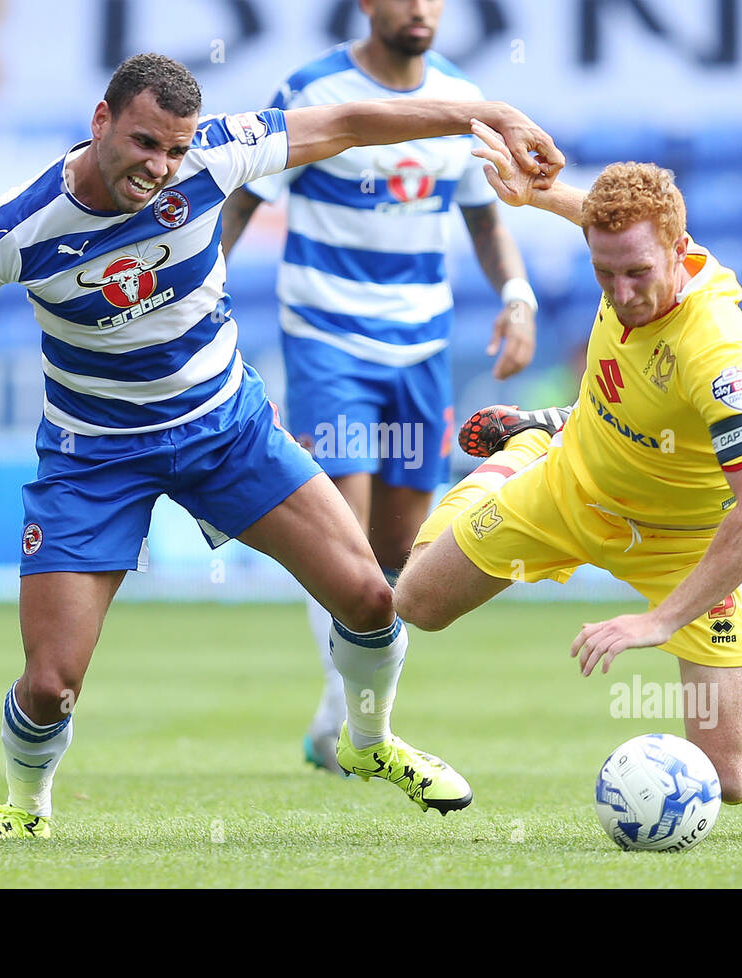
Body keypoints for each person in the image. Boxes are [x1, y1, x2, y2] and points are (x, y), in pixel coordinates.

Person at [0, 54, 563, 838]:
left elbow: (351, 121)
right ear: (101, 121)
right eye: (145, 143)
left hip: (227, 428)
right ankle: (27, 809)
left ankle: (368, 742)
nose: (160, 168)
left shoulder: (222, 152)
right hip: (96, 458)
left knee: (369, 598)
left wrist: (480, 113)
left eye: (175, 150)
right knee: (52, 684)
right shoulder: (16, 229)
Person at [393, 124, 742, 837]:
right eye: (605, 275)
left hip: (686, 541)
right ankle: (531, 445)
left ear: (679, 254)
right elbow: (596, 218)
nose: (622, 293)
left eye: (638, 275)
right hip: (575, 485)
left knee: (733, 777)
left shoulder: (718, 352)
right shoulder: (625, 248)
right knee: (417, 602)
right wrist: (537, 196)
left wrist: (659, 621)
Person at [220, 0, 539, 773]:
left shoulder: (465, 100)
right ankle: (347, 719)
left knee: (399, 549)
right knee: (343, 531)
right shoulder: (313, 91)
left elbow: (483, 217)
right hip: (328, 338)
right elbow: (242, 195)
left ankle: (344, 714)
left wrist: (517, 293)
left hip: (422, 345)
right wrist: (204, 289)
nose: (421, 8)